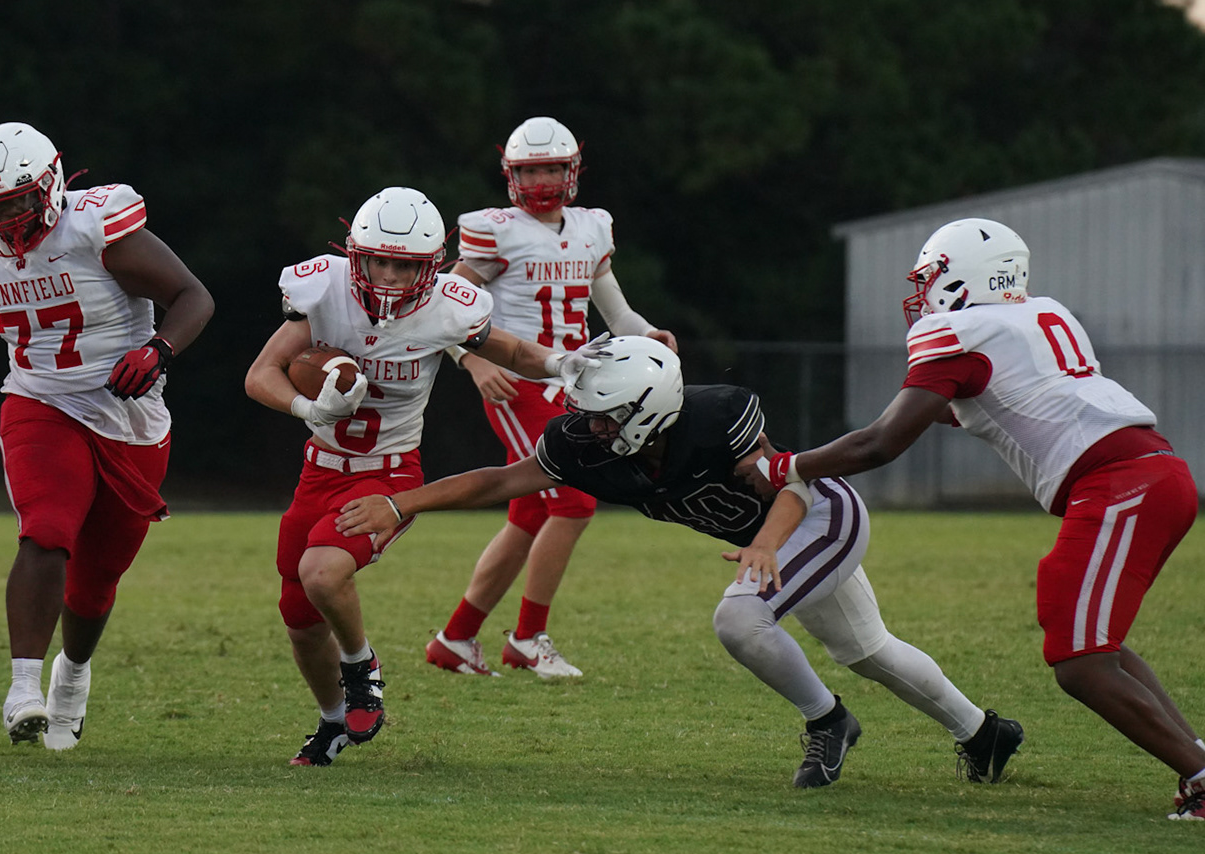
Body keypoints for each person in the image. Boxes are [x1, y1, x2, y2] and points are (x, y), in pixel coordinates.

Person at [339, 336, 1024, 786]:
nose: (590, 428)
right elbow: (499, 480)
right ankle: (985, 734)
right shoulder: (585, 445)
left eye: (606, 416)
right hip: (777, 540)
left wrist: (766, 545)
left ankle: (828, 722)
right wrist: (403, 504)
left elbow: (791, 484)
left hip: (817, 516)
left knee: (741, 619)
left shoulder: (714, 419)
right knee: (867, 650)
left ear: (649, 410)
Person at [746, 218, 1205, 818]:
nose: (923, 294)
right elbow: (971, 405)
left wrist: (786, 466)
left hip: (1120, 484)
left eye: (932, 277)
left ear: (966, 276)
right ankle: (1197, 759)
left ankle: (1201, 777)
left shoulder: (961, 331)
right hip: (1151, 474)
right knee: (1090, 641)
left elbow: (880, 444)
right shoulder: (1041, 314)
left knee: (1081, 661)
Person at [0, 121, 213, 750]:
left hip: (129, 415)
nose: (1, 221)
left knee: (96, 581)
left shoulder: (96, 227)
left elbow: (193, 296)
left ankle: (71, 675)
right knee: (46, 530)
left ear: (49, 187)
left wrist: (159, 350)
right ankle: (23, 687)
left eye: (13, 203)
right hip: (39, 401)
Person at [244, 186, 605, 767]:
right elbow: (261, 373)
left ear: (431, 266)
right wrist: (308, 408)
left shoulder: (448, 306)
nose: (389, 277)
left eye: (405, 266)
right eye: (378, 262)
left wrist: (559, 362)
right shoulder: (325, 290)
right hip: (320, 470)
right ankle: (332, 722)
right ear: (356, 256)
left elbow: (511, 350)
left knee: (322, 572)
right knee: (300, 619)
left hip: (387, 474)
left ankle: (361, 667)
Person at [433, 117, 678, 680]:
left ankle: (456, 638)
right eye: (530, 170)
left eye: (550, 168)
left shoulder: (592, 227)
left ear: (573, 170)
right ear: (510, 175)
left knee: (528, 513)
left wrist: (650, 335)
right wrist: (472, 361)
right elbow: (442, 303)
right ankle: (526, 637)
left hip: (574, 382)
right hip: (517, 382)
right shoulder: (496, 231)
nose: (541, 180)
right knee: (574, 503)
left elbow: (616, 312)